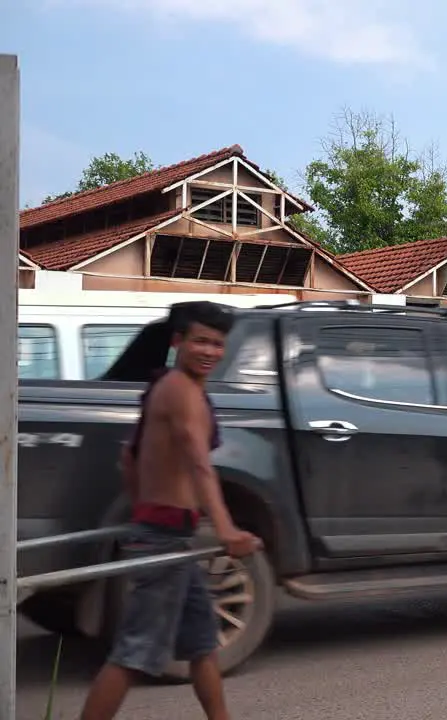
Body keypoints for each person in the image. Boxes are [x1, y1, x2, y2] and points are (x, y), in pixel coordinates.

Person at [81, 302, 262, 720]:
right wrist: (227, 530)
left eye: (217, 344)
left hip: (172, 535)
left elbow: (130, 457)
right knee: (134, 654)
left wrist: (144, 509)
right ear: (177, 341)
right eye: (200, 340)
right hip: (164, 540)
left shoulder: (169, 386)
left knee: (202, 645)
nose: (210, 351)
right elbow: (199, 463)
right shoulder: (182, 391)